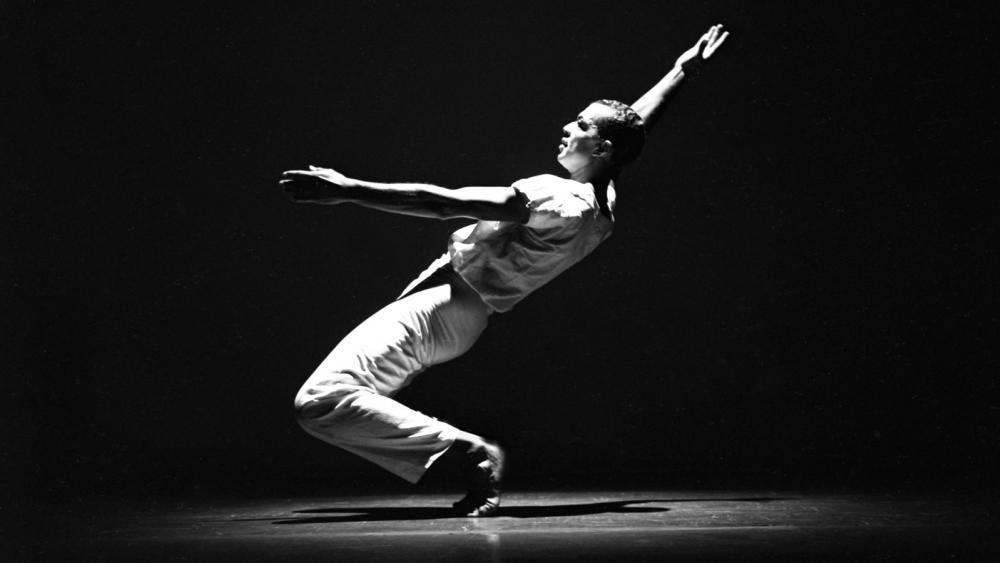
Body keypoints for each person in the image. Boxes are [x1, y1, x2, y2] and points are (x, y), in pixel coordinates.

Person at [279, 24, 729, 517]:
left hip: (442, 309)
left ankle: (472, 452)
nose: (568, 128)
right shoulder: (602, 202)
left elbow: (443, 204)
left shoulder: (559, 198)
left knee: (321, 401)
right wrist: (682, 71)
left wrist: (348, 189)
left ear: (600, 150)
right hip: (462, 316)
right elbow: (631, 128)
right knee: (336, 402)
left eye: (581, 126)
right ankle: (460, 451)